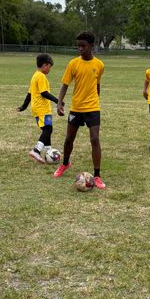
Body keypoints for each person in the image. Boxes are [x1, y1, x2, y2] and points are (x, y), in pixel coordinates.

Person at [53, 32, 105, 189]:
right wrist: (59, 102)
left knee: (95, 139)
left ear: (91, 46)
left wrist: (95, 99)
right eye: (78, 46)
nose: (80, 49)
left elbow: (97, 85)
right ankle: (65, 163)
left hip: (93, 108)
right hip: (76, 107)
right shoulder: (73, 64)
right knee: (69, 138)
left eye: (83, 46)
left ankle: (97, 175)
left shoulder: (99, 65)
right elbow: (65, 84)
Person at [16, 53, 59, 164]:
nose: (49, 69)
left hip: (37, 109)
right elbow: (44, 93)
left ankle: (49, 151)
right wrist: (58, 101)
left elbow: (29, 94)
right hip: (42, 108)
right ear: (45, 65)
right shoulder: (41, 76)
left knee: (47, 129)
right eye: (49, 67)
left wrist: (23, 107)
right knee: (48, 129)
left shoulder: (35, 75)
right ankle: (36, 150)